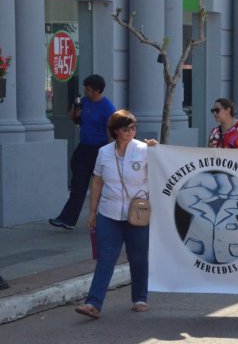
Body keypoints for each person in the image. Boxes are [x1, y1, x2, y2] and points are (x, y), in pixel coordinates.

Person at [75, 110, 158, 319]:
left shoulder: (144, 150)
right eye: (125, 128)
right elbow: (97, 182)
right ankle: (93, 303)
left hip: (137, 213)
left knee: (138, 257)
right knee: (106, 258)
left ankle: (140, 297)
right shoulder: (103, 152)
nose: (130, 132)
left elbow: (162, 172)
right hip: (108, 212)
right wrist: (92, 212)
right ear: (115, 130)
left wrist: (159, 151)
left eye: (133, 128)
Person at [50, 74, 116, 230]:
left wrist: (112, 151)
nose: (85, 91)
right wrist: (75, 112)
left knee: (102, 186)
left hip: (100, 149)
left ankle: (106, 220)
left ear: (97, 91)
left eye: (88, 89)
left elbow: (111, 130)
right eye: (85, 88)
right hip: (84, 147)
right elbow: (71, 117)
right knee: (78, 184)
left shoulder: (107, 107)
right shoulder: (83, 102)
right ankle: (67, 219)